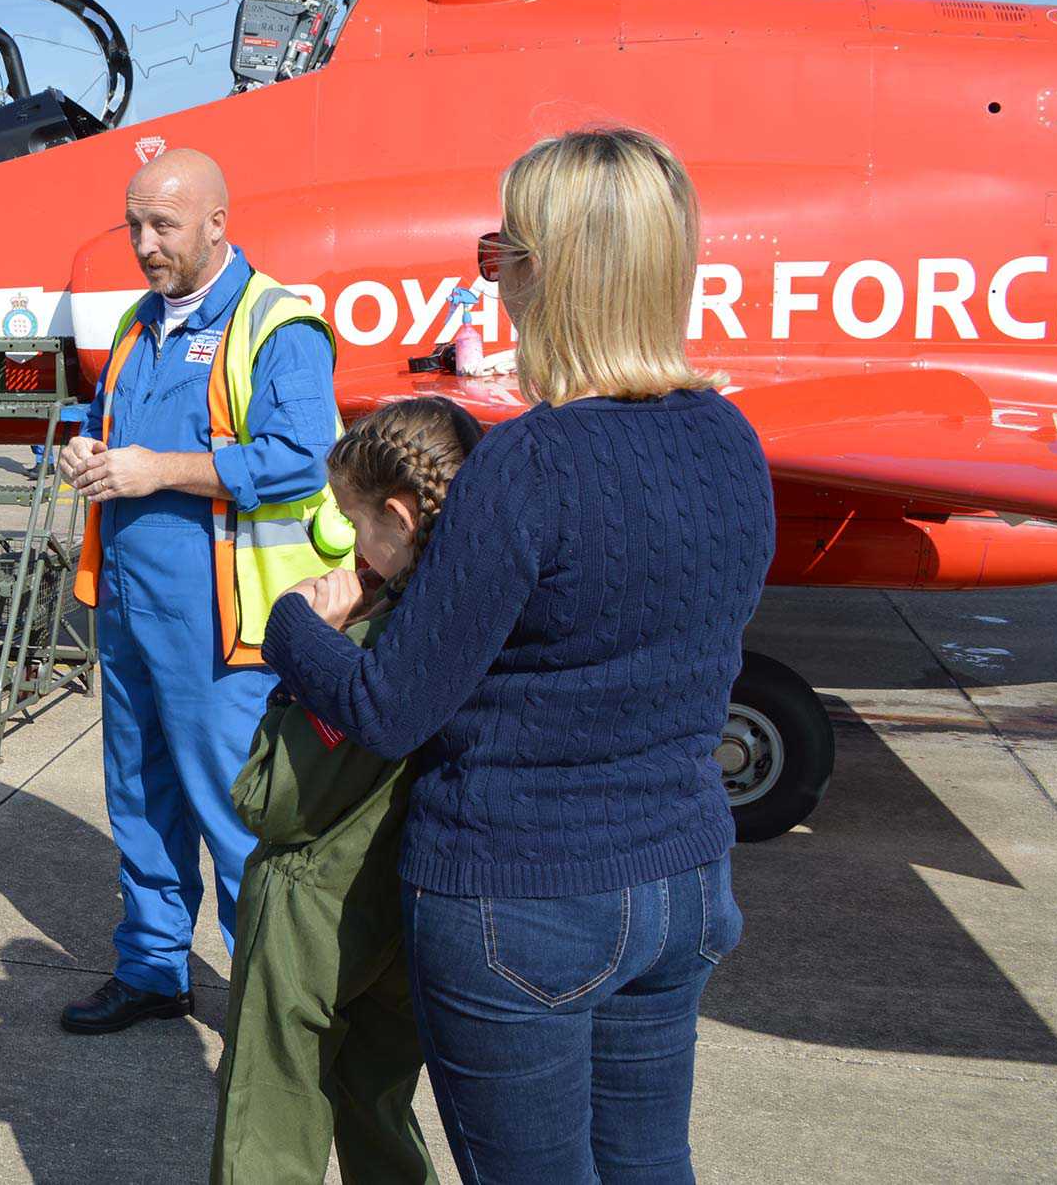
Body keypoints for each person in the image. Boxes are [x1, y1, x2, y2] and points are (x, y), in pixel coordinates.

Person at [262, 128, 774, 1184]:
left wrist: (290, 628)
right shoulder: (729, 437)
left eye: (501, 253)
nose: (492, 281)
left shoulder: (530, 462)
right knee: (647, 1166)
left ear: (545, 272)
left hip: (521, 898)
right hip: (680, 875)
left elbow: (388, 707)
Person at [56, 148, 354, 1035]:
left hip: (223, 621)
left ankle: (268, 1001)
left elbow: (302, 456)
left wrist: (160, 471)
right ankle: (152, 967)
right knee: (138, 796)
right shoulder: (133, 327)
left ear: (218, 223)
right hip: (131, 610)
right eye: (136, 224)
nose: (146, 244)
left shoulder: (278, 327)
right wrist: (80, 450)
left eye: (165, 226)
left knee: (231, 810)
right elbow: (100, 420)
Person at [213, 397, 481, 1185]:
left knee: (269, 1113)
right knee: (379, 1101)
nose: (353, 545)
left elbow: (269, 798)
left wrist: (308, 653)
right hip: (410, 906)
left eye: (357, 523)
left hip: (314, 906)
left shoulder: (372, 644)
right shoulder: (467, 613)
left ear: (399, 519)